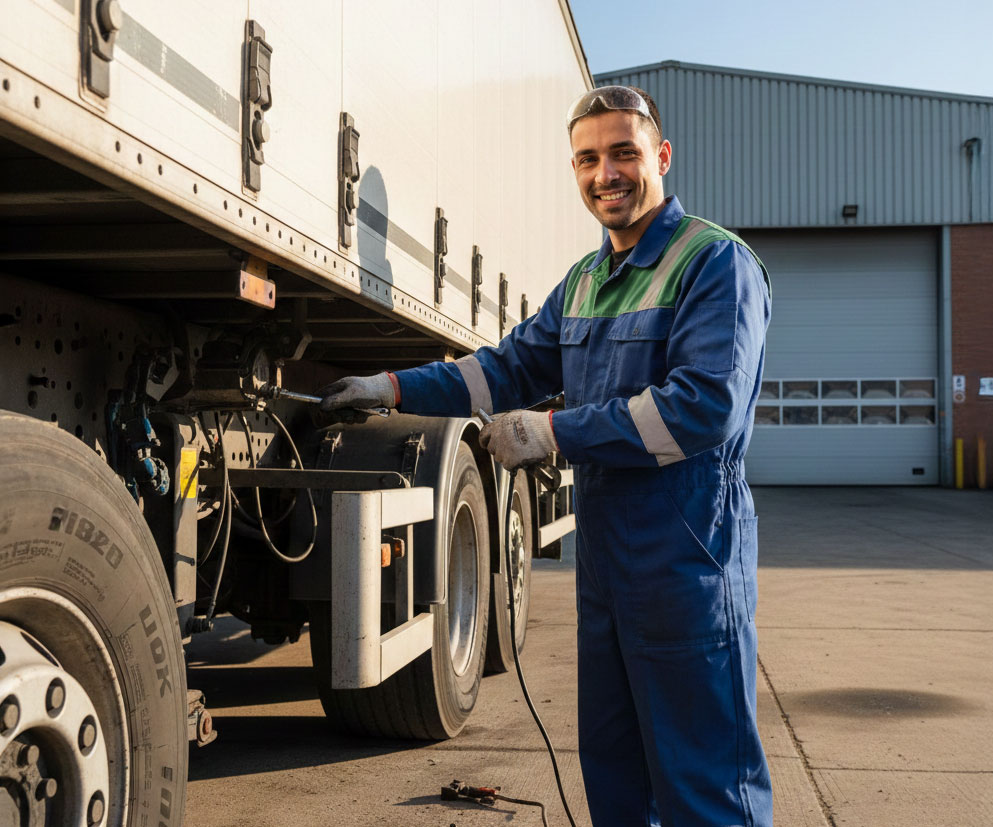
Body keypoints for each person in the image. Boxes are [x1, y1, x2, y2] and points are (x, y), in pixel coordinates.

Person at [319, 85, 773, 826]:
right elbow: (497, 373)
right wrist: (391, 386)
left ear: (660, 156)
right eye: (589, 159)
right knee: (616, 773)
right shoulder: (585, 284)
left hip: (690, 563)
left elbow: (703, 408)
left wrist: (552, 433)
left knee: (705, 780)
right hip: (609, 570)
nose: (607, 173)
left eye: (624, 152)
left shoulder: (714, 264)